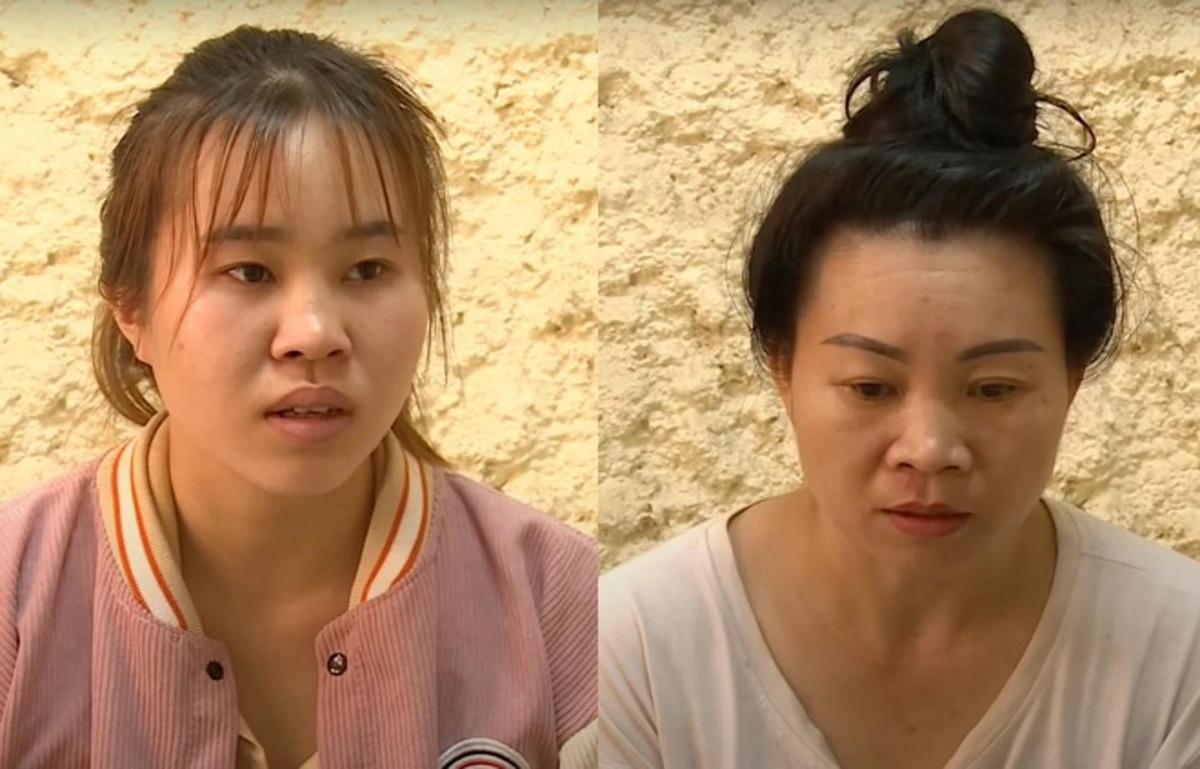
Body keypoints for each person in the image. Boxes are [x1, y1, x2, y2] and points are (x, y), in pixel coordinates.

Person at [599, 8, 1200, 769]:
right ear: (783, 368)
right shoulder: (635, 647)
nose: (930, 449)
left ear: (1070, 378)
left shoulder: (1178, 654)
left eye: (993, 389)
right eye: (870, 386)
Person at [0, 26, 597, 769]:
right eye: (249, 271)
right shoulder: (16, 594)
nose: (314, 335)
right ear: (131, 308)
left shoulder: (565, 604)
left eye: (367, 269)